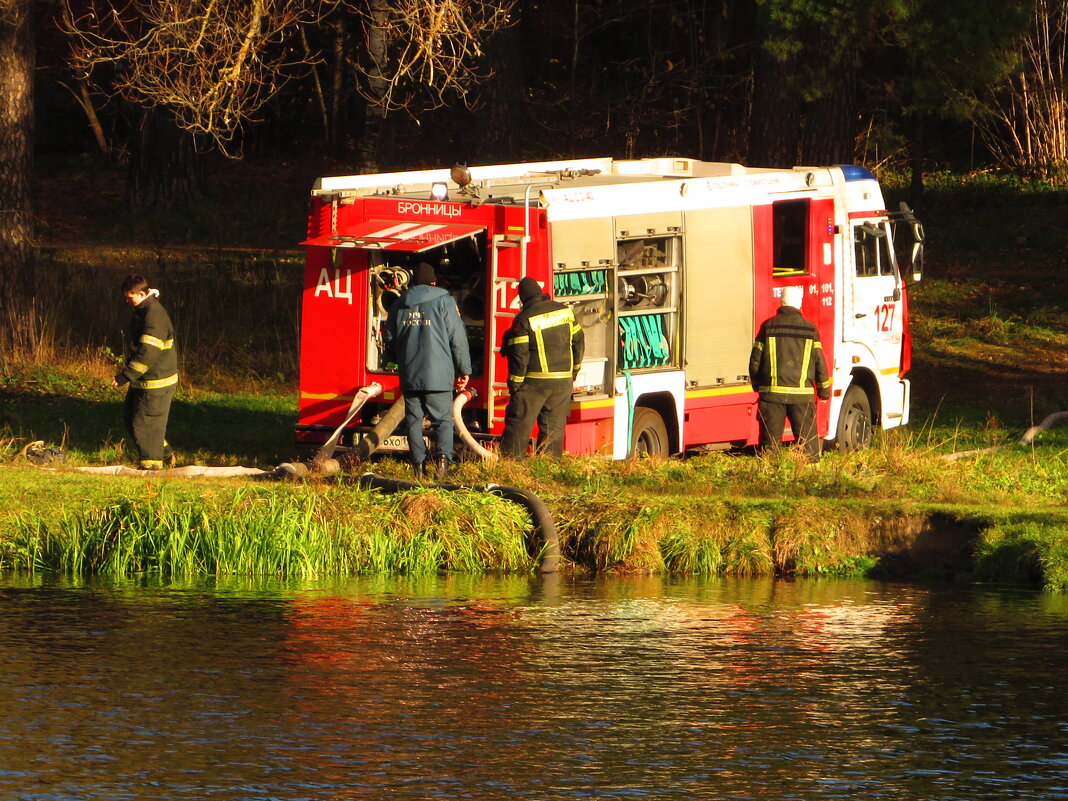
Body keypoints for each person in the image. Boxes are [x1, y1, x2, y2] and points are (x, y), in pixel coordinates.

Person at [384, 262, 471, 480]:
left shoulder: (399, 303)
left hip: (410, 374)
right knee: (442, 420)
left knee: (413, 421)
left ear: (412, 282)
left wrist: (399, 360)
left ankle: (419, 469)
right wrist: (463, 369)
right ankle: (441, 469)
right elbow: (457, 338)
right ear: (434, 281)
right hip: (439, 374)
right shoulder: (444, 301)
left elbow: (389, 339)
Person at [500, 276, 585, 458]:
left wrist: (515, 385)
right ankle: (548, 471)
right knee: (553, 431)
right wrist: (574, 371)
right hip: (562, 382)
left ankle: (510, 468)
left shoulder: (524, 319)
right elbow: (578, 342)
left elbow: (519, 356)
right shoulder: (565, 312)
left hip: (534, 384)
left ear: (522, 298)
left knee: (519, 426)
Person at [749, 285, 831, 462]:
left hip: (772, 396)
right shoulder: (810, 330)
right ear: (799, 304)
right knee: (808, 445)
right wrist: (824, 391)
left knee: (769, 446)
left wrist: (757, 385)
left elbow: (755, 360)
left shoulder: (768, 327)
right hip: (802, 397)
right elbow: (819, 363)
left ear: (781, 302)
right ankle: (811, 478)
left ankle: (770, 479)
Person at [111, 274, 179, 470]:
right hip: (144, 380)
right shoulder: (143, 309)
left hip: (156, 382)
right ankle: (165, 454)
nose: (126, 301)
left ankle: (151, 469)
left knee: (146, 423)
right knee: (132, 418)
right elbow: (139, 347)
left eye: (129, 297)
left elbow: (148, 353)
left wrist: (125, 375)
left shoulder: (154, 316)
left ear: (142, 293)